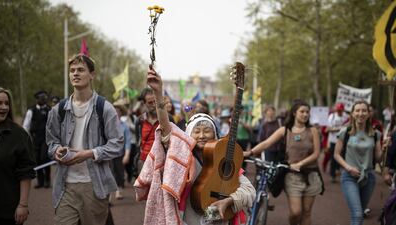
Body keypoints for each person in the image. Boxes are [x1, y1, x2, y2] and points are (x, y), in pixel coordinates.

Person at [134, 67, 255, 225]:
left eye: (207, 131)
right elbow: (165, 127)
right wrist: (158, 93)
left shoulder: (223, 160)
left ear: (215, 135)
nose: (202, 135)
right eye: (197, 131)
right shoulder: (181, 155)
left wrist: (229, 201)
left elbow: (249, 191)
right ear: (188, 135)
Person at [46, 54, 123, 225]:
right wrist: (56, 150)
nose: (75, 73)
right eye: (72, 70)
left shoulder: (105, 108)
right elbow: (51, 143)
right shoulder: (58, 110)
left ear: (92, 75)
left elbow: (117, 144)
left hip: (94, 185)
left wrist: (91, 153)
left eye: (80, 70)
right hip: (65, 185)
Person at [244, 99, 323, 225]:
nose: (305, 114)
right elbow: (266, 143)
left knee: (307, 212)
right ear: (294, 113)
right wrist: (250, 152)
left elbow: (316, 153)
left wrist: (300, 164)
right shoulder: (285, 130)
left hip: (311, 175)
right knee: (296, 212)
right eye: (302, 111)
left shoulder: (313, 131)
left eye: (307, 112)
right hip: (292, 177)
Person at [333, 100, 383, 225]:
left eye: (364, 110)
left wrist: (385, 148)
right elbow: (336, 154)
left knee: (359, 214)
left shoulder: (375, 134)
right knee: (357, 214)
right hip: (349, 177)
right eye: (358, 110)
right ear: (353, 113)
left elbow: (378, 159)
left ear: (368, 114)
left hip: (368, 177)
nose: (361, 113)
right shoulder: (345, 132)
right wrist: (348, 168)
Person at [0, 87, 36, 225]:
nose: (3, 107)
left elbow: (26, 172)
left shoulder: (19, 135)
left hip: (7, 211)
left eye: (6, 103)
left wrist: (23, 205)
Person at [23, 90, 51, 188]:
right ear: (37, 99)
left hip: (46, 139)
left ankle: (47, 180)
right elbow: (26, 126)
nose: (43, 99)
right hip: (35, 139)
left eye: (45, 98)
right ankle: (40, 181)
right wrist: (27, 140)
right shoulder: (31, 110)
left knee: (45, 158)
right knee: (37, 160)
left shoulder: (49, 110)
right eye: (41, 98)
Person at [112, 101, 131, 199]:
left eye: (118, 111)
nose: (116, 113)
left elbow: (128, 141)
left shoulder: (125, 126)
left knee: (119, 173)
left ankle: (118, 191)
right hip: (108, 154)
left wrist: (127, 154)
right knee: (109, 174)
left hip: (120, 153)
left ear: (120, 113)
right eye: (114, 111)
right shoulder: (107, 124)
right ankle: (110, 196)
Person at [327, 102, 349, 182]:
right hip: (334, 140)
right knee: (333, 158)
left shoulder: (346, 117)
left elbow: (349, 126)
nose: (339, 112)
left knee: (344, 157)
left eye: (341, 110)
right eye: (338, 110)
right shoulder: (332, 117)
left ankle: (342, 172)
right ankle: (332, 175)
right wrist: (340, 128)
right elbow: (328, 129)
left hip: (343, 140)